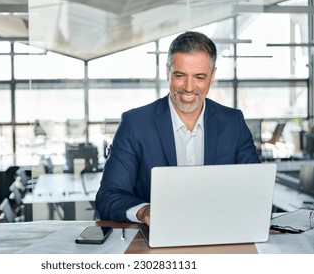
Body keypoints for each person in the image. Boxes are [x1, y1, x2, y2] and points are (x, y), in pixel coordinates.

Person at [95, 31, 260, 226]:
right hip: (156, 242)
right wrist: (144, 211)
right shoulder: (135, 124)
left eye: (199, 77)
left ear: (213, 75)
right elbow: (108, 196)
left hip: (219, 235)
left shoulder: (234, 123)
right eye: (180, 75)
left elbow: (256, 190)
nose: (189, 88)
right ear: (167, 72)